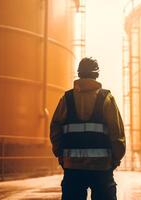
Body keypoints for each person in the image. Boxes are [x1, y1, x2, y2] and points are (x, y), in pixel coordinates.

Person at [50, 57, 126, 200]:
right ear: (96, 74)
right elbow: (117, 133)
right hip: (102, 169)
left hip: (72, 168)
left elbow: (55, 127)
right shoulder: (106, 99)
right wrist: (116, 158)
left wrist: (60, 154)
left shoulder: (67, 99)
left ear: (79, 74)